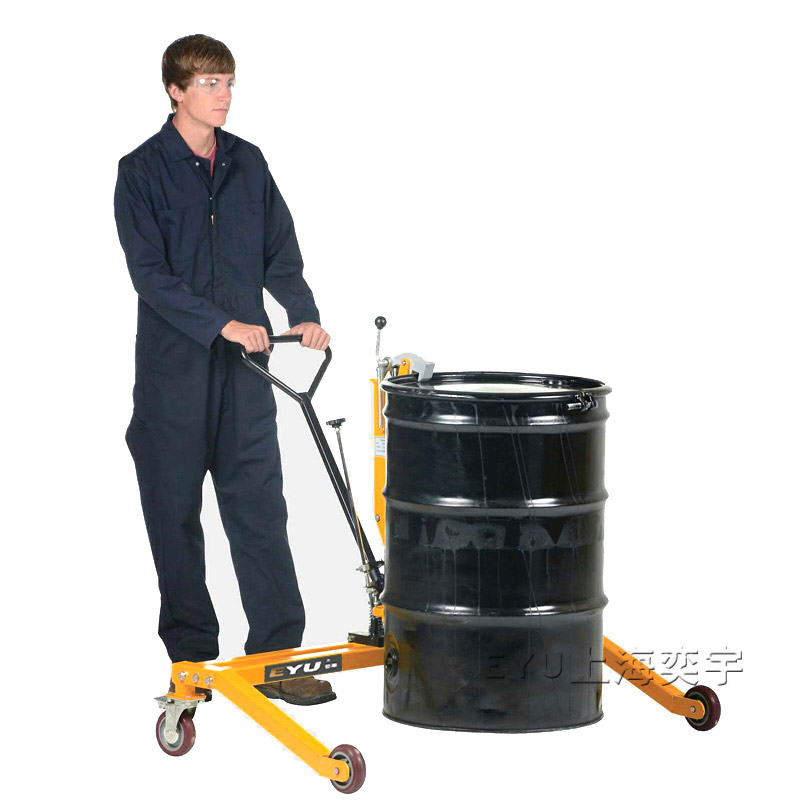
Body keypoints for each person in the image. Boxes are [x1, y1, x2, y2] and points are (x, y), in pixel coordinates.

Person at [113, 33, 335, 705]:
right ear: (175, 90)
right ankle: (190, 659)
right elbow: (149, 275)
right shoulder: (140, 170)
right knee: (174, 514)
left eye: (229, 82)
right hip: (174, 373)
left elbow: (279, 250)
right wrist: (221, 323)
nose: (224, 96)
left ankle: (277, 656)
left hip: (247, 372)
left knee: (260, 510)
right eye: (209, 83)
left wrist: (302, 313)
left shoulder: (248, 162)